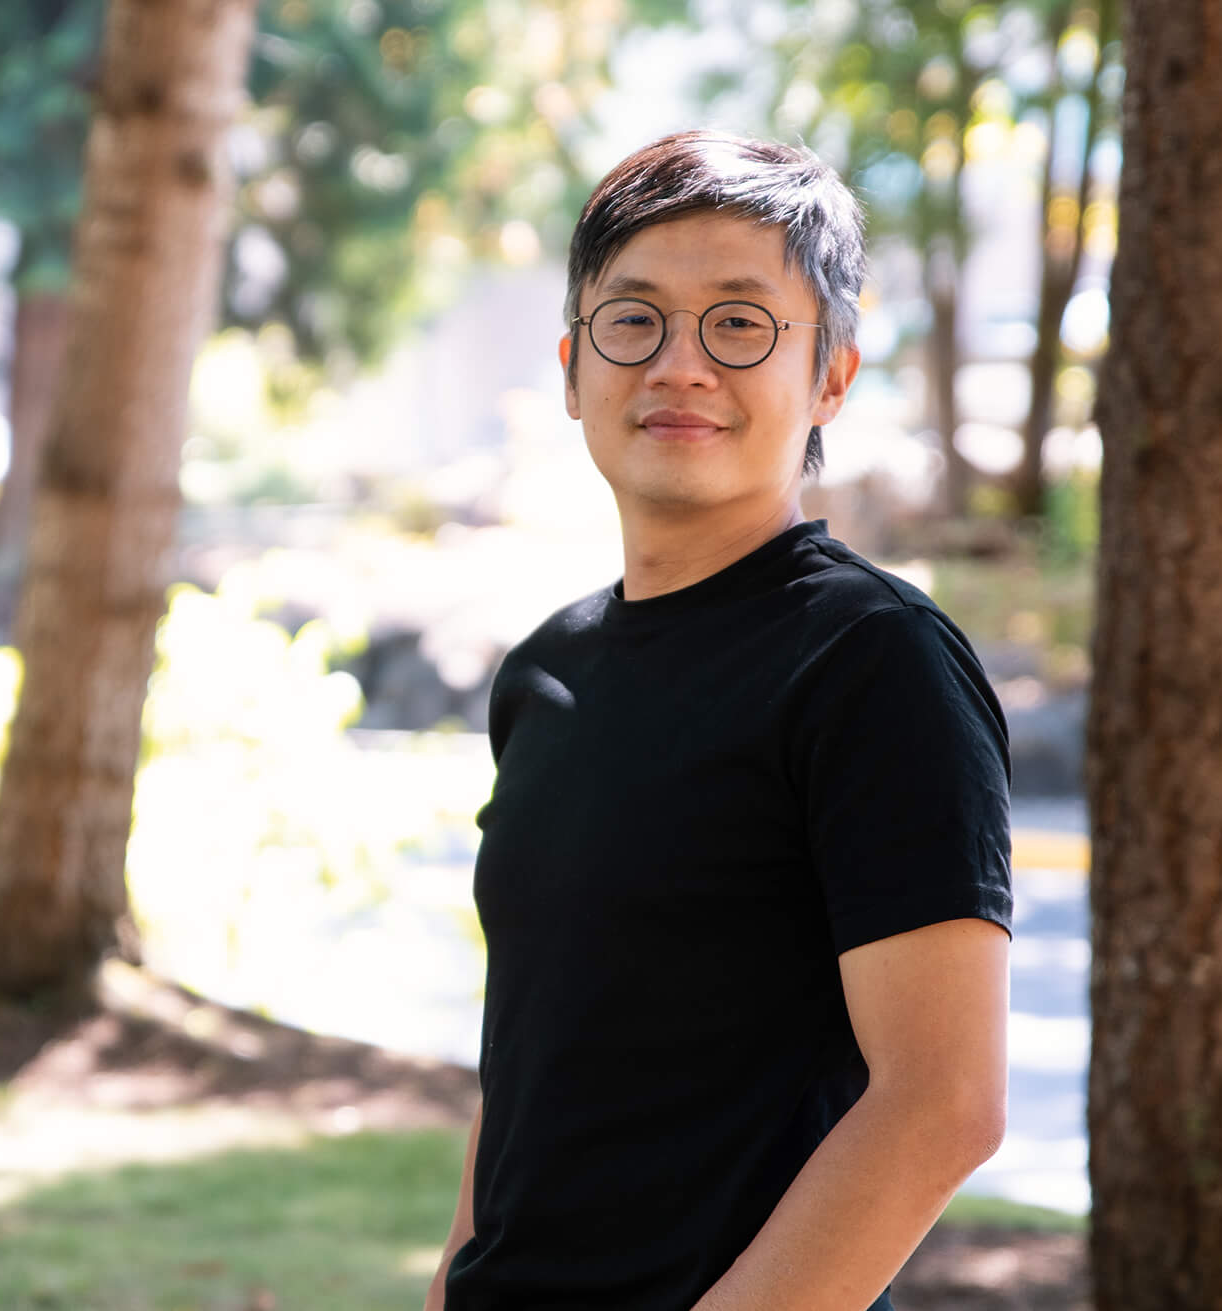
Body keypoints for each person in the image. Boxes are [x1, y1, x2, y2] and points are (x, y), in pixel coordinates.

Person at [425, 130, 1014, 1311]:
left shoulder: (873, 663)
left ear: (831, 376)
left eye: (739, 325)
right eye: (632, 320)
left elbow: (940, 1105)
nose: (678, 365)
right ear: (573, 365)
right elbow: (534, 1054)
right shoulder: (544, 672)